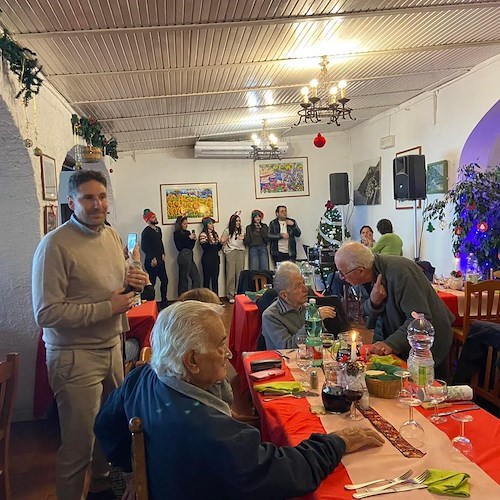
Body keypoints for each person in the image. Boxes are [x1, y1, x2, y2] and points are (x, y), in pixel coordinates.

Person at [94, 301, 384, 499]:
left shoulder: (143, 377)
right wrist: (339, 441)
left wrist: (132, 469)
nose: (229, 354)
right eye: (221, 345)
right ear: (192, 360)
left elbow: (105, 425)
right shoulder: (208, 430)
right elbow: (286, 472)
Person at [32, 170, 149, 500]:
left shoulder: (110, 235)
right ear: (71, 202)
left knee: (108, 432)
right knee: (78, 447)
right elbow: (46, 313)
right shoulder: (54, 245)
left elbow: (117, 283)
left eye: (101, 197)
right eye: (88, 198)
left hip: (111, 347)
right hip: (74, 356)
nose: (98, 204)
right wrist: (106, 308)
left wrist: (134, 279)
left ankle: (101, 490)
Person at [334, 242, 454, 378]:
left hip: (427, 345)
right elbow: (366, 313)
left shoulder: (400, 272)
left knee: (426, 391)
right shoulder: (367, 274)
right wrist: (374, 302)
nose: (341, 278)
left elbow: (420, 319)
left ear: (360, 271)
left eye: (343, 273)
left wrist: (390, 343)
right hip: (400, 338)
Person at [261, 262, 337, 349]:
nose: (305, 289)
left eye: (304, 283)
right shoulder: (271, 316)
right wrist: (312, 323)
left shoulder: (308, 308)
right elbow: (287, 348)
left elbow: (322, 337)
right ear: (284, 295)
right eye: (298, 286)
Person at [140, 209, 168, 308]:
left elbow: (160, 243)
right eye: (153, 217)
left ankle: (164, 302)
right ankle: (151, 304)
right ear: (147, 220)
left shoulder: (158, 230)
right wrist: (152, 258)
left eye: (155, 216)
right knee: (152, 282)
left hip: (160, 260)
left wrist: (163, 253)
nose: (155, 218)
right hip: (152, 262)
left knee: (165, 280)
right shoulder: (146, 232)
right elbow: (144, 247)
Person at [221, 212, 246, 303]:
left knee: (240, 274)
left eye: (239, 221)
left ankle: (238, 294)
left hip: (241, 251)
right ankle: (230, 295)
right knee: (231, 274)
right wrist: (224, 239)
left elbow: (247, 241)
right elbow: (222, 241)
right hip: (231, 252)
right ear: (232, 222)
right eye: (236, 221)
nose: (238, 223)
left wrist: (244, 238)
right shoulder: (228, 230)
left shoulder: (242, 230)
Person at [173, 215, 201, 296]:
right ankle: (183, 299)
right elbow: (179, 247)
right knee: (184, 279)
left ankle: (194, 297)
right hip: (183, 256)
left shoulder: (188, 232)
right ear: (180, 224)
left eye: (187, 223)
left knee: (196, 278)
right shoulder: (177, 233)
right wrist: (189, 238)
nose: (186, 225)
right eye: (184, 223)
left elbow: (190, 247)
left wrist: (193, 240)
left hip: (190, 254)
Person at [198, 217, 222, 295]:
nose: (212, 225)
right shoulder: (203, 234)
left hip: (215, 259)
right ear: (206, 225)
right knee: (207, 280)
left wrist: (221, 243)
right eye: (210, 223)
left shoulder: (215, 234)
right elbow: (206, 248)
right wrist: (213, 244)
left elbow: (217, 248)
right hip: (207, 259)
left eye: (212, 223)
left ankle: (216, 298)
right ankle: (206, 299)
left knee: (215, 280)